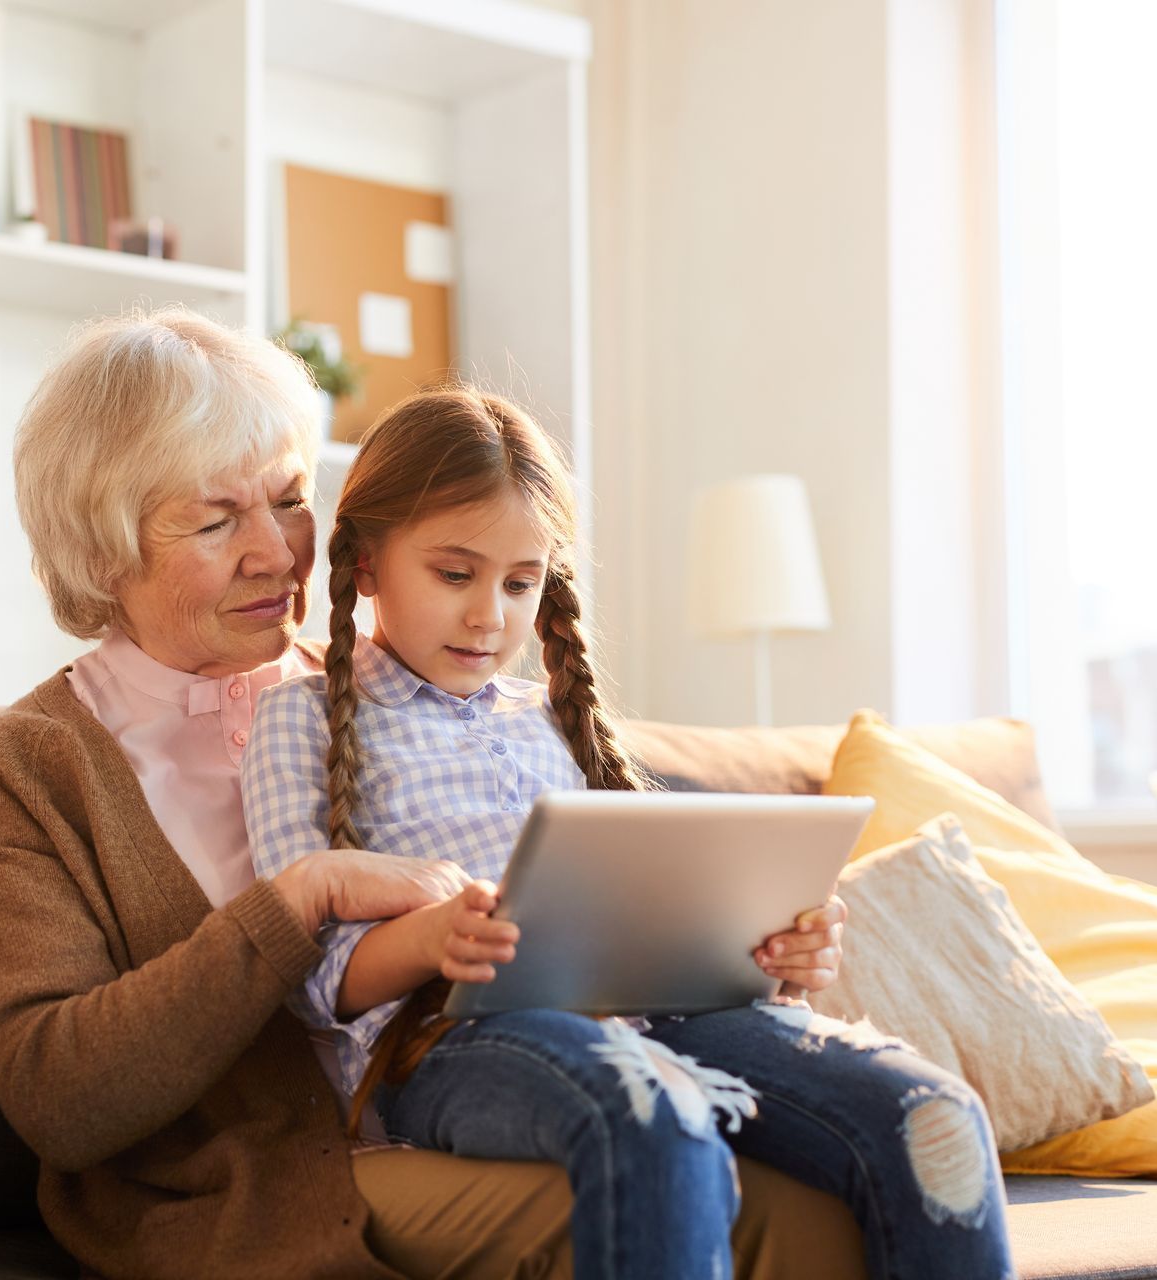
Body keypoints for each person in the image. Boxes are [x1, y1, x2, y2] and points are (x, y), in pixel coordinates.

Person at [0, 307, 868, 1280]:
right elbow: (58, 1097)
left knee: (819, 1191)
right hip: (275, 1183)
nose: (278, 554)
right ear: (101, 551)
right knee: (742, 1208)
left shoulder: (390, 683)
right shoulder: (35, 764)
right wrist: (298, 900)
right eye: (215, 521)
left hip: (492, 1090)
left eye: (290, 500)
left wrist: (742, 947)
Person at [243, 386, 1016, 1279]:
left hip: (664, 1017)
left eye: (520, 583)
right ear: (366, 560)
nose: (490, 615)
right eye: (455, 575)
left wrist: (772, 956)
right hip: (444, 1040)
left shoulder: (557, 720)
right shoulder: (299, 718)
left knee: (935, 1119)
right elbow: (307, 980)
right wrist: (433, 938)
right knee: (654, 1113)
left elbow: (652, 921)